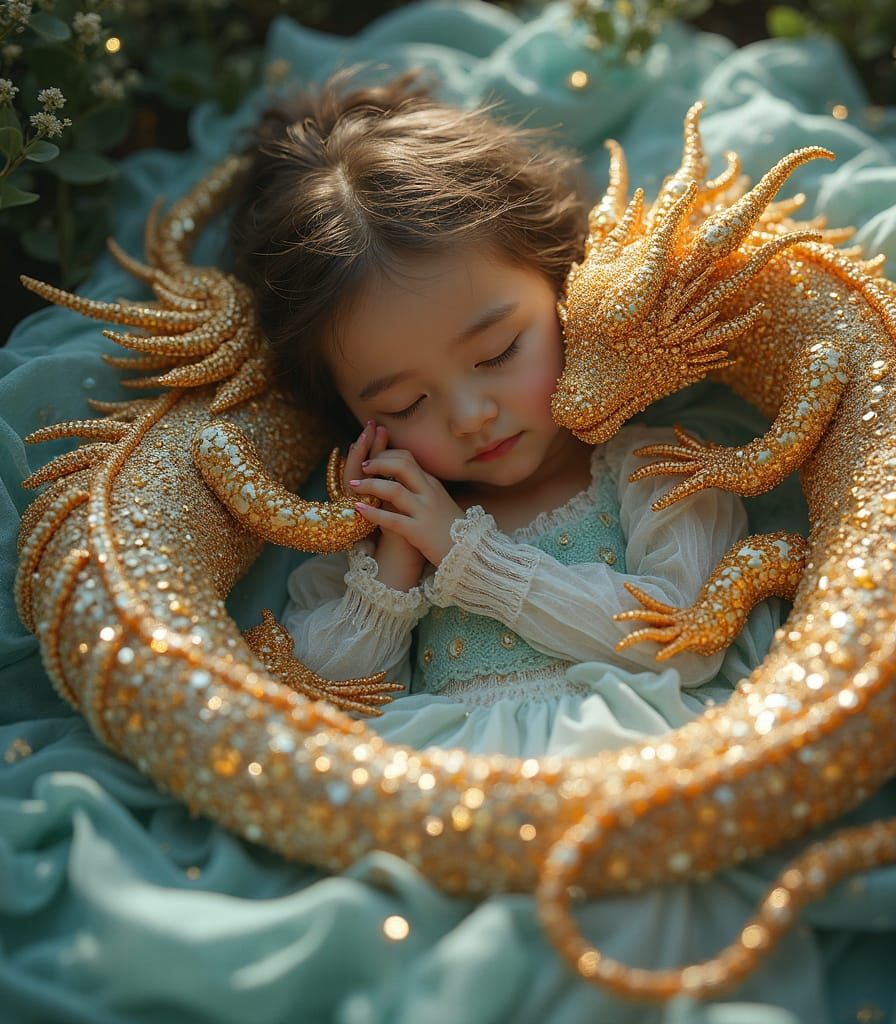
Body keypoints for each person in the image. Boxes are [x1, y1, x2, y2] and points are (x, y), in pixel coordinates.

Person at [229, 66, 766, 758]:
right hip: (446, 795)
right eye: (406, 402)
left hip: (635, 767)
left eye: (498, 352)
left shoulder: (657, 468)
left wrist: (469, 558)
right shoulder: (378, 539)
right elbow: (322, 707)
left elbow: (686, 642)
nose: (471, 415)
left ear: (562, 282)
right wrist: (395, 573)